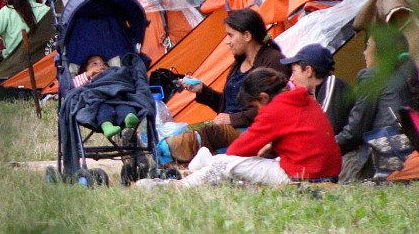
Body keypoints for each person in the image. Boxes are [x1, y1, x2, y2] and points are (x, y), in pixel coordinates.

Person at [141, 68, 342, 187]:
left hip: (306, 177)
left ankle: (180, 186)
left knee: (227, 163)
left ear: (264, 97)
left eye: (256, 106)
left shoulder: (275, 109)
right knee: (224, 160)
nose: (258, 112)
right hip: (325, 172)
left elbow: (238, 150)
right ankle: (199, 166)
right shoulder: (302, 98)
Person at [165, 8, 290, 162]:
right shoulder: (239, 62)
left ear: (247, 36)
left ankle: (164, 153)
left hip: (257, 131)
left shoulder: (274, 61)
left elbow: (276, 106)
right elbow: (227, 105)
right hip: (231, 128)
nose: (227, 41)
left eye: (231, 35)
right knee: (191, 134)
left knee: (201, 137)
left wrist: (233, 119)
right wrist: (202, 90)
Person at [335, 32, 419, 182]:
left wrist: (327, 146)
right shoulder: (411, 73)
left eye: (367, 47)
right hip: (412, 151)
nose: (364, 52)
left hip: (391, 152)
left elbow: (355, 130)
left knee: (346, 161)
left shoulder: (372, 77)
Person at [280, 44, 354, 134]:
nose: (291, 78)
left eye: (294, 71)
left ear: (308, 71)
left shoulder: (332, 83)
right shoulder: (317, 92)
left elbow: (325, 129)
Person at [72, 54, 140, 138]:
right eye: (95, 63)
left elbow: (123, 78)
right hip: (99, 101)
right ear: (85, 69)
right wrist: (87, 75)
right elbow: (73, 87)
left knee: (125, 105)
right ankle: (107, 126)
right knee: (103, 109)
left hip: (117, 96)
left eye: (104, 64)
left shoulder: (113, 74)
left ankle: (129, 117)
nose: (101, 66)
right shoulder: (88, 80)